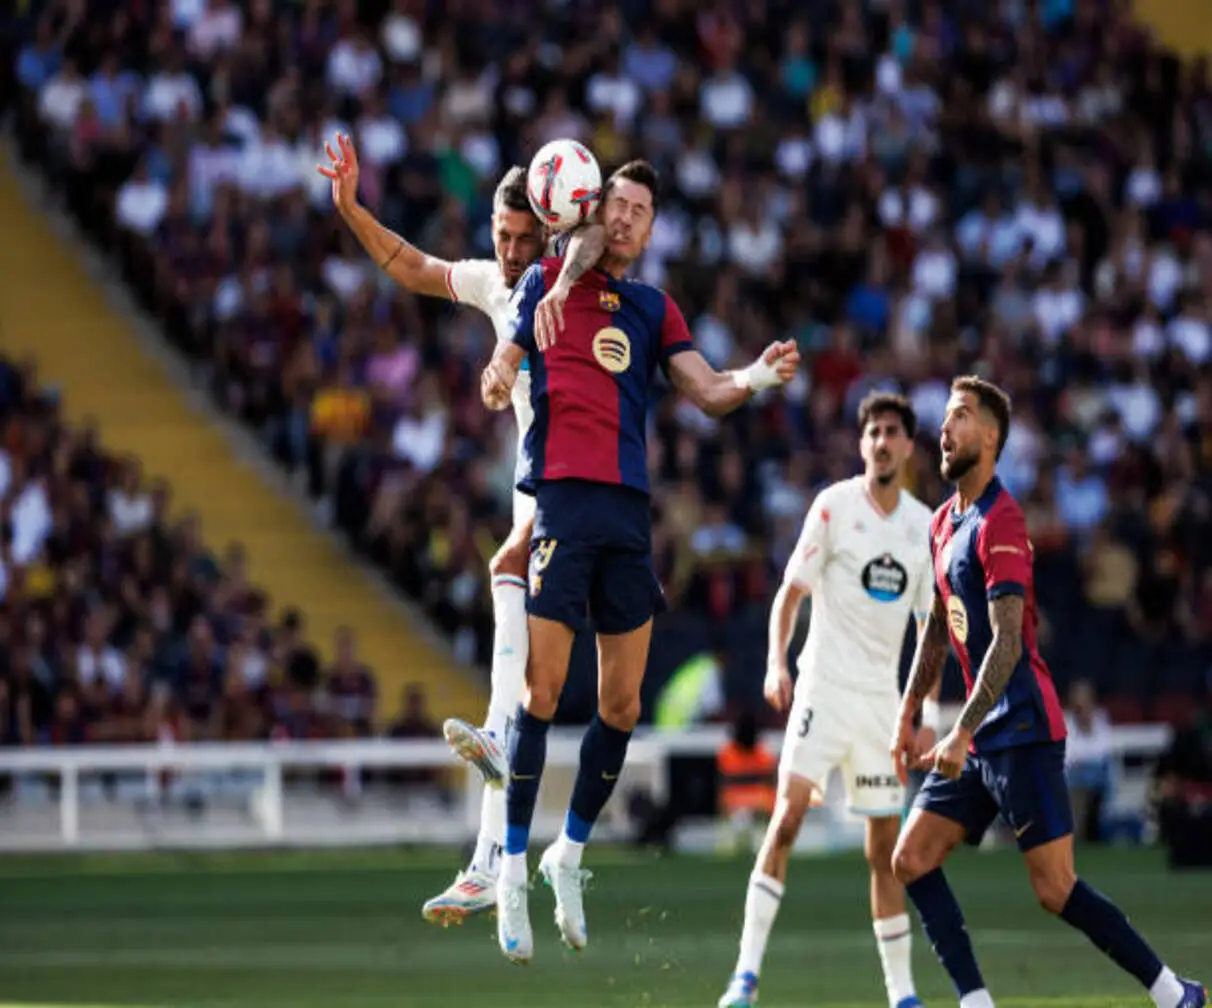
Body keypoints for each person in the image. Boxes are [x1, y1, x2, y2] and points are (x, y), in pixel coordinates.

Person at [479, 160, 800, 964]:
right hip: (559, 501)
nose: (626, 220)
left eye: (641, 210)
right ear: (592, 209)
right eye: (616, 204)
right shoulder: (549, 276)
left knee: (623, 705)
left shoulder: (655, 308)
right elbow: (509, 358)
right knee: (542, 691)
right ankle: (512, 869)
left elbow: (709, 392)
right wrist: (499, 370)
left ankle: (569, 856)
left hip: (627, 513)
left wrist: (757, 375)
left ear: (654, 228)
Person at [318, 134, 608, 924]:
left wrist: (570, 231)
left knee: (508, 576)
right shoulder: (495, 283)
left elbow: (596, 230)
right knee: (509, 621)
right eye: (500, 236)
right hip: (533, 477)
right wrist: (351, 208)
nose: (510, 252)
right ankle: (486, 860)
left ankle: (499, 749)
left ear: (550, 227)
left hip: (584, 476)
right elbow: (412, 265)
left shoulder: (576, 276)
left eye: (525, 238)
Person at [891, 376, 1206, 1008]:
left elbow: (1007, 645)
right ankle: (975, 1002)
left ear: (991, 435)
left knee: (1055, 888)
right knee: (912, 858)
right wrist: (907, 716)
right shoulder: (943, 523)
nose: (944, 429)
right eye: (945, 419)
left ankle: (1175, 994)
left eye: (959, 417)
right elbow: (934, 629)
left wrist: (958, 730)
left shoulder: (1000, 519)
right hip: (980, 738)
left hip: (1022, 728)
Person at [717, 392, 937, 1008]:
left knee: (884, 853)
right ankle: (745, 976)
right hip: (823, 688)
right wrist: (775, 662)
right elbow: (790, 594)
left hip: (882, 706)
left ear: (907, 445)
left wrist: (927, 716)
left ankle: (903, 994)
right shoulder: (834, 507)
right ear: (861, 442)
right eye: (873, 432)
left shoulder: (924, 527)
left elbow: (934, 632)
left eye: (893, 431)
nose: (882, 442)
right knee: (785, 820)